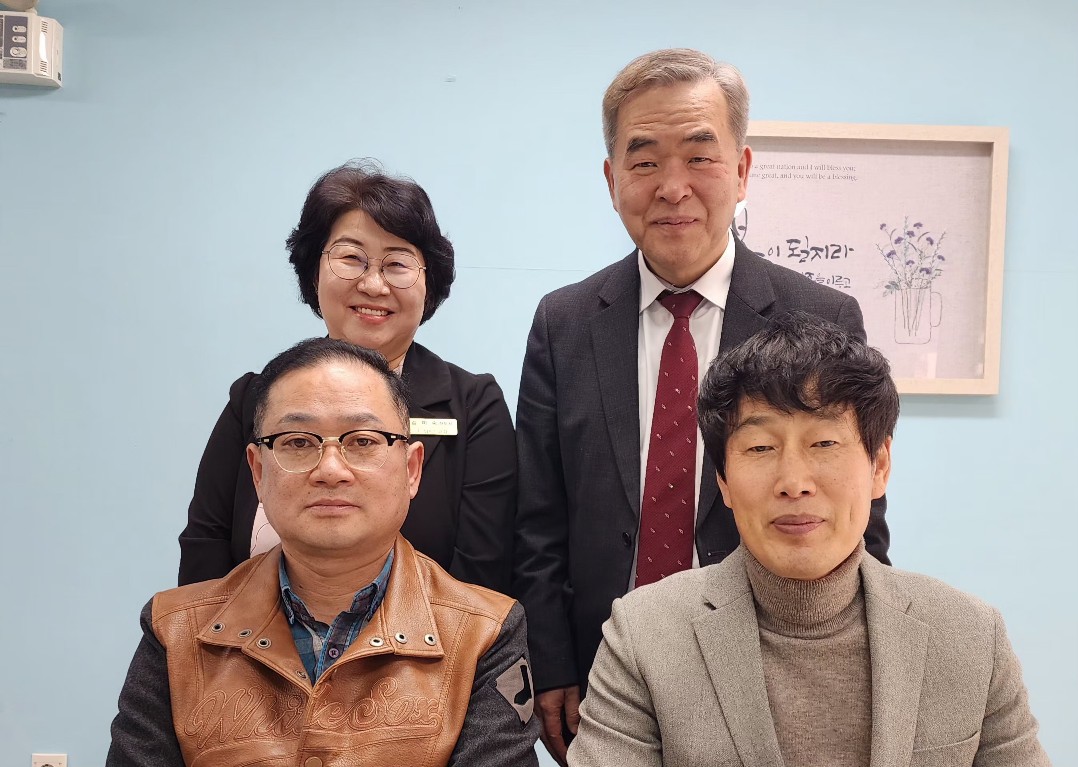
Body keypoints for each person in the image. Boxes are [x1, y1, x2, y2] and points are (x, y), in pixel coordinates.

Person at [512, 48, 891, 764]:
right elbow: (538, 515)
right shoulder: (564, 322)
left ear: (742, 170)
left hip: (775, 662)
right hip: (604, 665)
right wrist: (552, 659)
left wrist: (870, 662)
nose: (672, 186)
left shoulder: (820, 314)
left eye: (699, 157)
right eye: (645, 160)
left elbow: (857, 509)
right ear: (612, 179)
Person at [568, 313, 1050, 767]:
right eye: (761, 447)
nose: (794, 482)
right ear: (723, 480)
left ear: (879, 466)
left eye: (824, 444)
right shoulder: (643, 637)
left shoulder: (970, 636)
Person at [108, 339, 539, 766]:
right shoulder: (174, 631)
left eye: (363, 441)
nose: (330, 470)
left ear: (411, 470)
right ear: (257, 472)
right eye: (298, 442)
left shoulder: (486, 634)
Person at [179, 161, 516, 593]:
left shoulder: (472, 405)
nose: (373, 285)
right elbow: (205, 557)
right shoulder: (254, 398)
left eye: (397, 263)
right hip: (252, 636)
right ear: (313, 273)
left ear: (429, 283)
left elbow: (482, 582)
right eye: (351, 258)